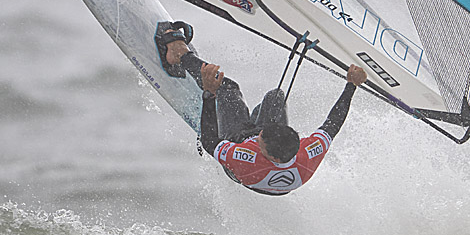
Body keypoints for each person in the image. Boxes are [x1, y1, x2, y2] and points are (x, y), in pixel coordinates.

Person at [156, 22, 368, 196]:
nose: (256, 138)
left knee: (228, 89)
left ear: (271, 156)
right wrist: (352, 85)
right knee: (276, 96)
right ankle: (243, 116)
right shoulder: (308, 154)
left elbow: (210, 142)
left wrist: (209, 94)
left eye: (259, 141)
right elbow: (333, 124)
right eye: (260, 135)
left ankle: (178, 54)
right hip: (274, 154)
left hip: (239, 148)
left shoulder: (245, 160)